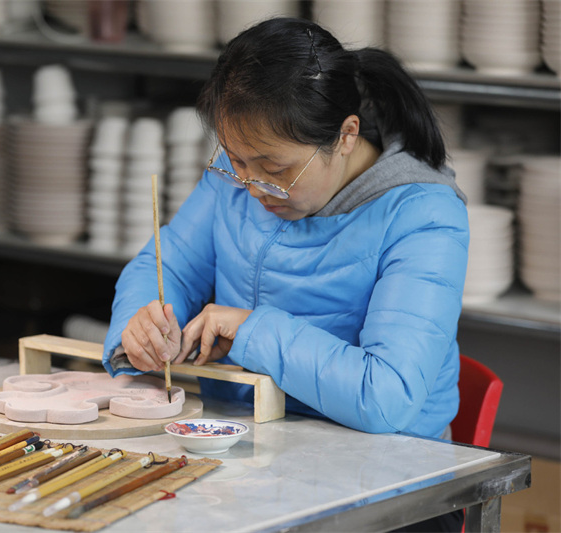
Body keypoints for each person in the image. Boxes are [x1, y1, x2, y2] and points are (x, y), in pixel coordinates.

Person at [102, 17, 468, 531]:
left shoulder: (424, 215)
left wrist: (252, 329)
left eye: (276, 171)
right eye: (235, 160)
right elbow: (166, 265)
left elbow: (388, 397)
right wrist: (141, 324)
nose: (251, 186)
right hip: (245, 457)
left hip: (388, 485)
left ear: (345, 135)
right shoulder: (239, 178)